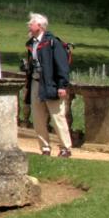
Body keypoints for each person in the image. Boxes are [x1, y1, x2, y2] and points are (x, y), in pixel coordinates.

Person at [24, 12, 72, 158]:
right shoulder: (32, 43)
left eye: (31, 23)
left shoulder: (53, 43)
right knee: (38, 118)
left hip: (51, 84)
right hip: (36, 83)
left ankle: (65, 148)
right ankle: (45, 148)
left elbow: (62, 65)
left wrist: (62, 86)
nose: (29, 26)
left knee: (57, 117)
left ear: (39, 26)